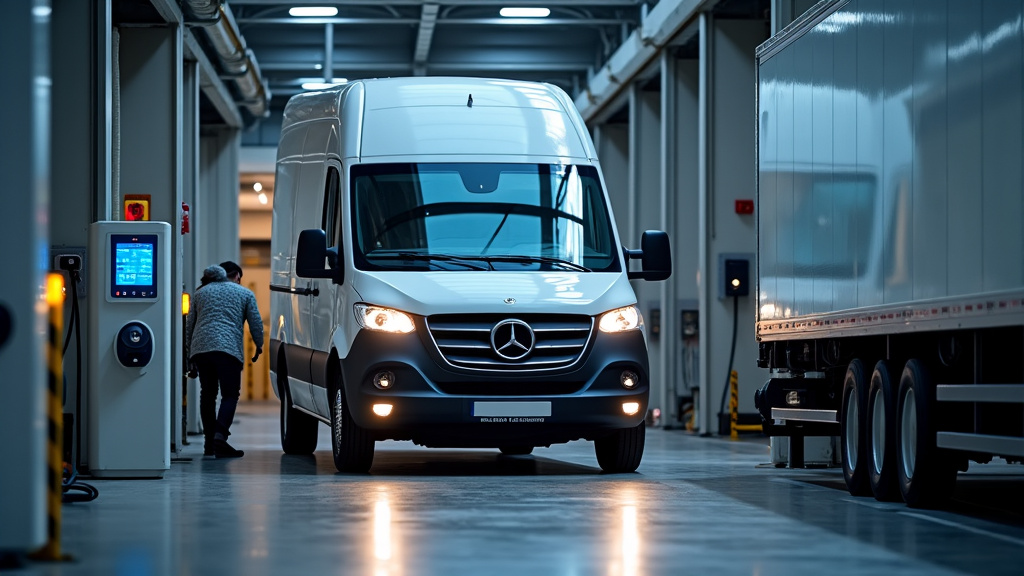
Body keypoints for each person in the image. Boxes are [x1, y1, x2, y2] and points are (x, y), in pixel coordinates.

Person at [185, 262, 263, 459]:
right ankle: (220, 436)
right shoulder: (244, 293)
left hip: (202, 348)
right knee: (230, 394)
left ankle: (209, 444)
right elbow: (255, 322)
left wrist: (190, 353)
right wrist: (259, 344)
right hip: (228, 349)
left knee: (208, 394)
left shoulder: (200, 293)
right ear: (236, 276)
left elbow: (190, 324)